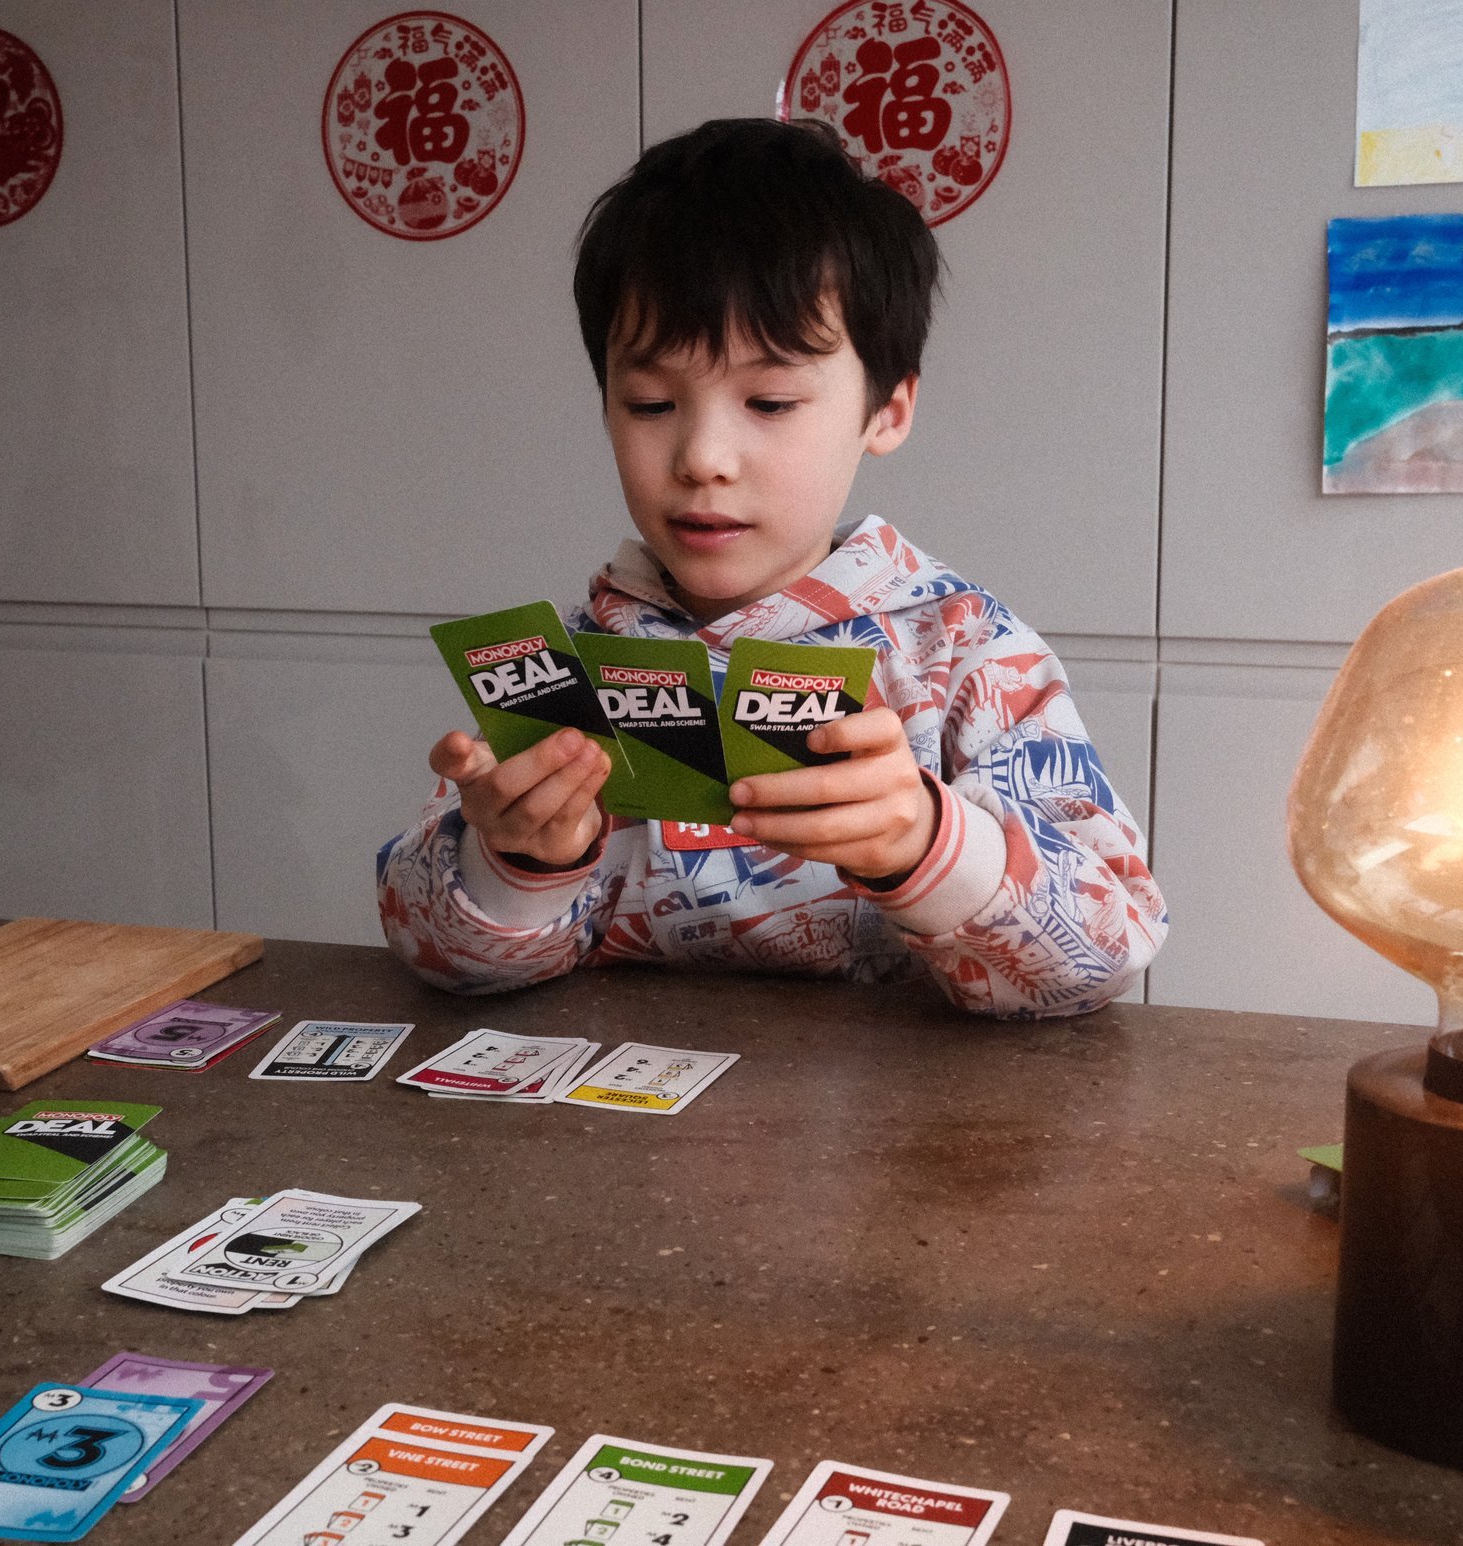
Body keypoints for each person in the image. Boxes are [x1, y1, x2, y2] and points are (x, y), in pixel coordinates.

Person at [376, 118, 1166, 1017]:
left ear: (887, 409)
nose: (703, 456)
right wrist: (522, 861)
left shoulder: (967, 656)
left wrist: (925, 840)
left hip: (914, 1140)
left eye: (771, 400)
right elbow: (434, 949)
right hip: (619, 1131)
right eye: (651, 401)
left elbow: (1110, 951)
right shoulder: (570, 665)